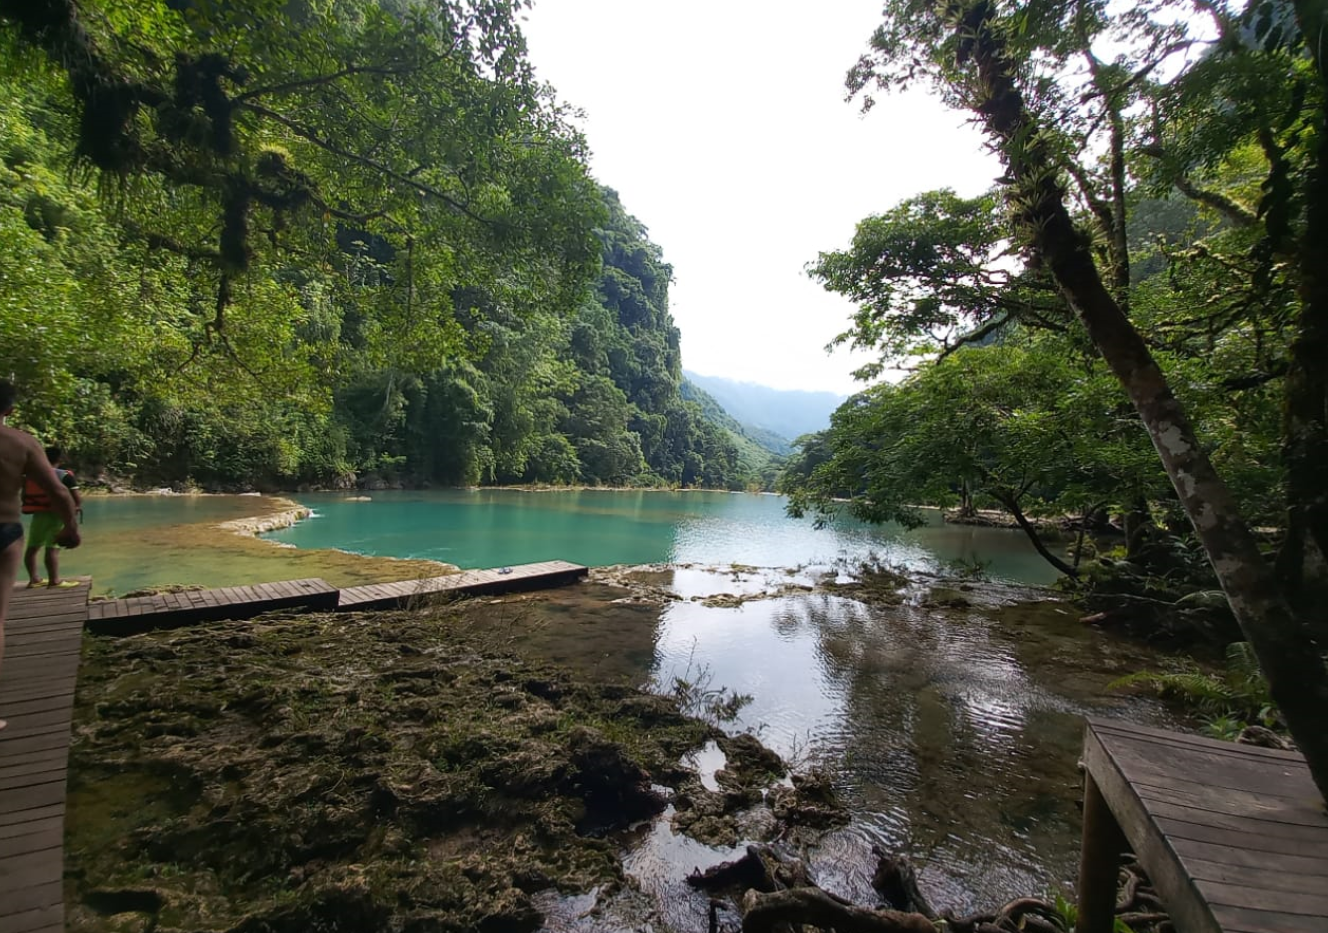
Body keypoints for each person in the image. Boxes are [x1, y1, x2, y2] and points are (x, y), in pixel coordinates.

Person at [0, 381, 80, 732]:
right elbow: (59, 492)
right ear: (10, 409)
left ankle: (37, 579)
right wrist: (71, 528)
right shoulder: (20, 442)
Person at [23, 445, 82, 588]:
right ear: (59, 459)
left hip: (38, 515)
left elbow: (24, 496)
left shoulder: (32, 474)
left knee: (32, 547)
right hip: (58, 516)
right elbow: (76, 499)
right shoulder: (64, 475)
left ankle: (34, 579)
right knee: (53, 548)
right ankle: (54, 581)